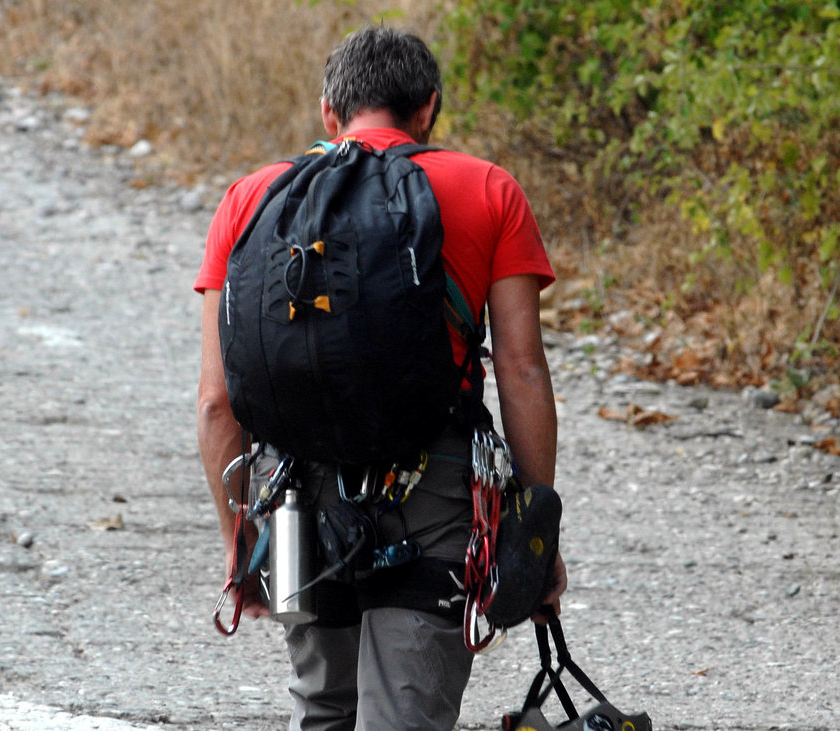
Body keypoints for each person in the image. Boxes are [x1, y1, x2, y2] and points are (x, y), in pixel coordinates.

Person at [194, 25, 565, 731]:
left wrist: (240, 541)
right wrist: (532, 530)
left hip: (298, 503)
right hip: (436, 499)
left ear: (328, 114)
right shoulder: (488, 190)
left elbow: (219, 402)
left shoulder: (250, 200)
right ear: (427, 109)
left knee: (324, 711)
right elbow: (521, 369)